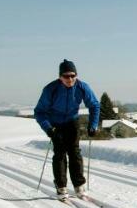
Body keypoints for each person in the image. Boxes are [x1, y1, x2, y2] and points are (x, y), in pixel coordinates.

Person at [34, 59, 101, 199]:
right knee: (59, 154)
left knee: (75, 152)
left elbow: (94, 105)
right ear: (60, 77)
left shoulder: (83, 87)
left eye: (72, 75)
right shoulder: (50, 89)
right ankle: (61, 186)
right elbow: (39, 112)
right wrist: (48, 129)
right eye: (66, 76)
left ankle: (79, 185)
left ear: (76, 75)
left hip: (72, 121)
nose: (70, 79)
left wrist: (93, 125)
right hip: (55, 124)